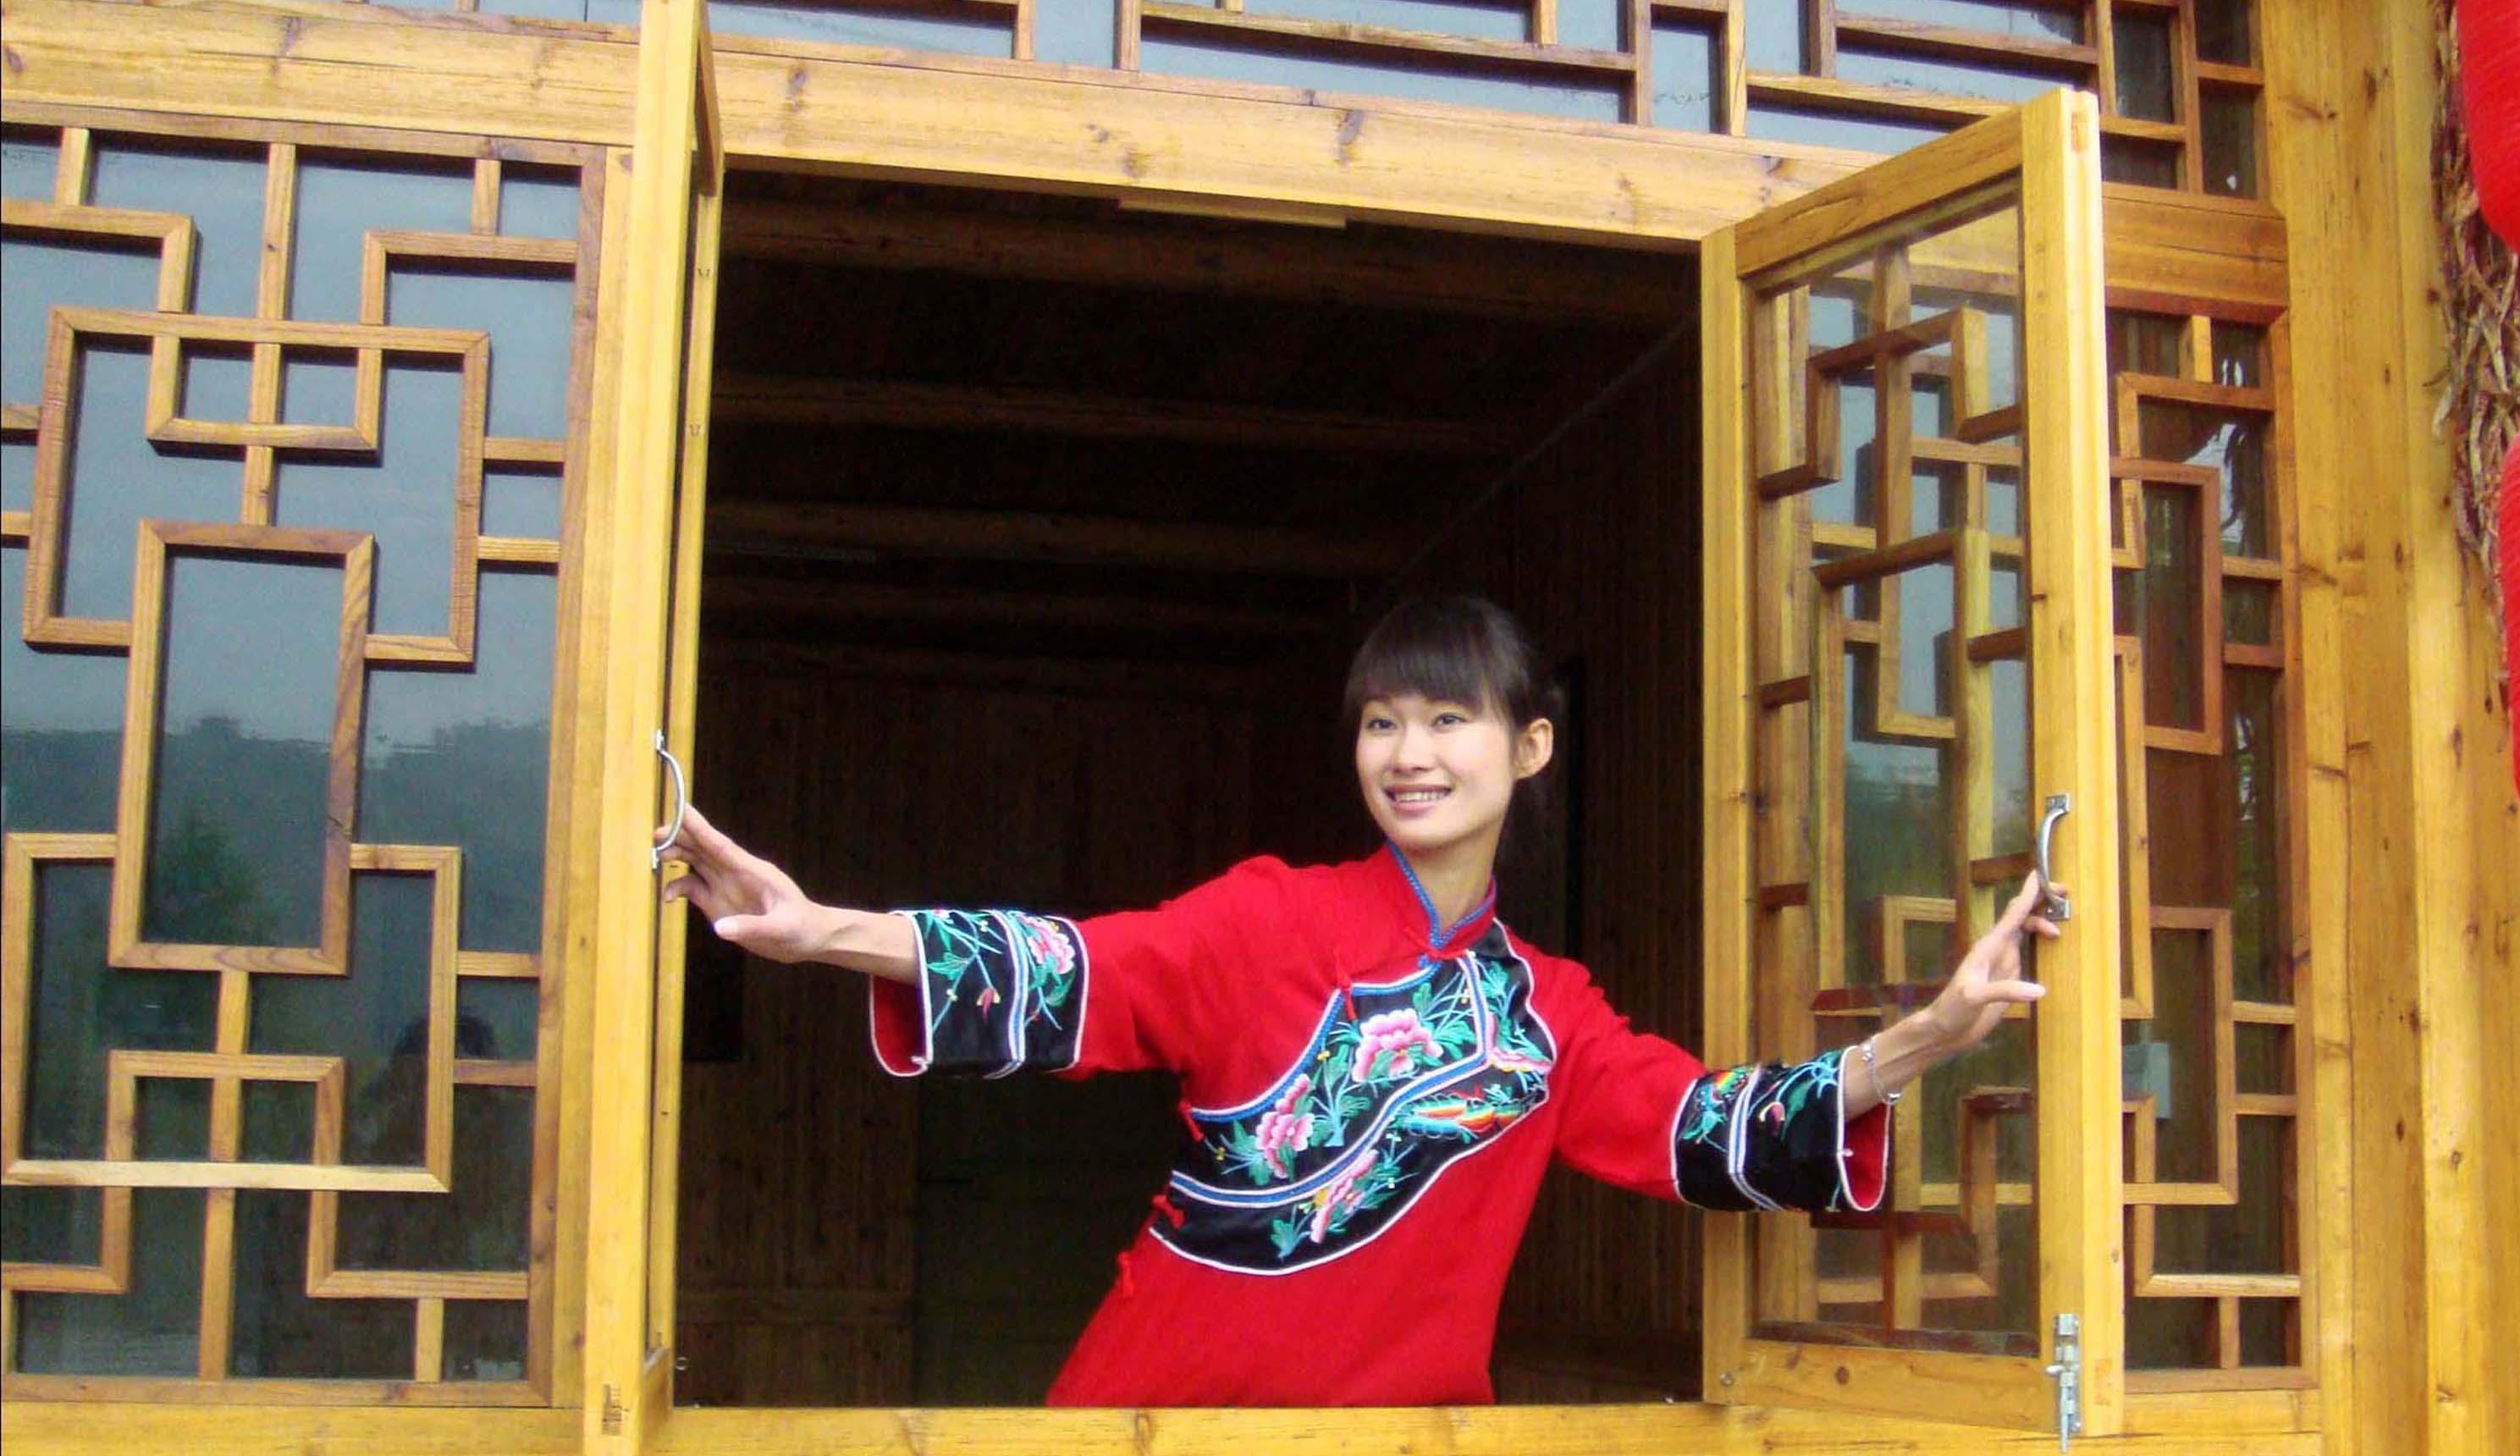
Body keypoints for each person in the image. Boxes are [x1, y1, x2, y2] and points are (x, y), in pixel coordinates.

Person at [664, 596, 2056, 1407]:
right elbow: (1080, 966)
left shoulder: (1548, 1015)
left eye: (1447, 719)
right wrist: (822, 930)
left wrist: (1928, 1035)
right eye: (1382, 721)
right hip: (1148, 1435)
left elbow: (1707, 1129)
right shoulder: (1267, 915)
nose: (1407, 752)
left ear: (1530, 745)